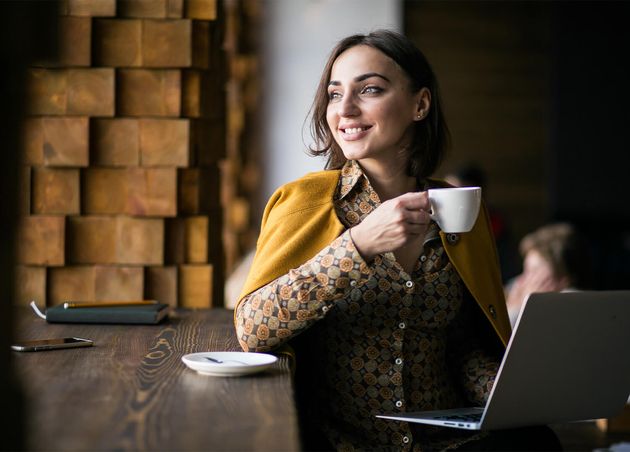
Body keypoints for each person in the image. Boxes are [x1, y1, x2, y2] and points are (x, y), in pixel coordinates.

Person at [234, 30, 559, 451]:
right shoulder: (304, 202)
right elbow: (253, 328)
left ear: (420, 104)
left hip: (448, 443)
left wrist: (508, 396)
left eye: (369, 89)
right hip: (343, 444)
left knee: (538, 441)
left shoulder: (458, 210)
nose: (345, 109)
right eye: (335, 94)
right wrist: (358, 246)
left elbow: (461, 344)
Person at [505, 222, 591, 327]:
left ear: (563, 279)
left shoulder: (573, 303)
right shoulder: (515, 293)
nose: (521, 281)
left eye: (534, 271)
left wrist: (519, 308)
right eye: (525, 271)